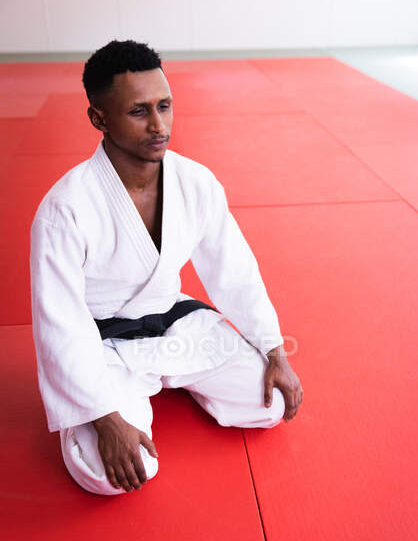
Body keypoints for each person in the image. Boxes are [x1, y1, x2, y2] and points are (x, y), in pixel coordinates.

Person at [30, 40, 303, 496]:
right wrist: (103, 417)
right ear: (99, 118)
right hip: (102, 343)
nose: (159, 126)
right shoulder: (65, 208)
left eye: (165, 106)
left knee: (271, 402)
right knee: (115, 472)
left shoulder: (195, 182)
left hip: (169, 322)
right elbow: (57, 321)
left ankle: (168, 376)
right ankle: (115, 400)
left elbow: (233, 269)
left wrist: (274, 350)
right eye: (139, 112)